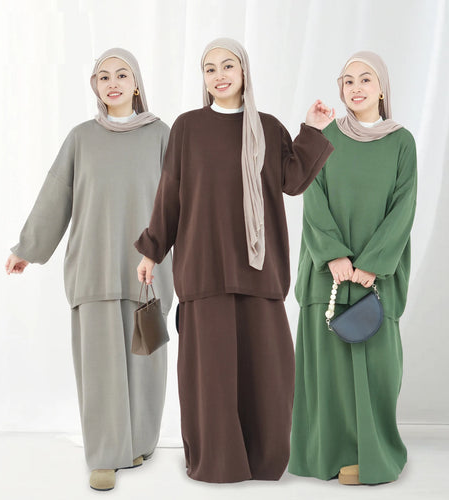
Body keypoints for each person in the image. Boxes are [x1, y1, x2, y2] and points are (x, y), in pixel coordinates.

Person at [134, 37, 334, 483]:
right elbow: (170, 195)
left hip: (259, 272)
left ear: (244, 71)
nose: (219, 75)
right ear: (203, 78)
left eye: (228, 65)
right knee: (211, 378)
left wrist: (312, 130)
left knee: (268, 373)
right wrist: (152, 249)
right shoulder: (187, 128)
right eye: (210, 68)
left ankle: (264, 461)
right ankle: (218, 461)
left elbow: (292, 180)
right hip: (204, 269)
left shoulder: (268, 127)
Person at [5, 48, 173, 491]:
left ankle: (138, 443)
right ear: (95, 86)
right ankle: (105, 455)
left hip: (147, 270)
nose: (112, 82)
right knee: (100, 369)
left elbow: (182, 201)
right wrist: (28, 248)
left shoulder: (161, 135)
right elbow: (56, 195)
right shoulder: (81, 137)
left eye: (122, 75)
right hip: (94, 267)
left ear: (136, 85)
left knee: (146, 364)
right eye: (103, 76)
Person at [289, 51, 417, 485]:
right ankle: (330, 454)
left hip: (376, 276)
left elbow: (403, 208)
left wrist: (373, 263)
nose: (356, 87)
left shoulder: (402, 142)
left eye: (365, 79)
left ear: (381, 89)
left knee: (377, 366)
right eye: (348, 80)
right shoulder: (326, 137)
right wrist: (334, 255)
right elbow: (312, 196)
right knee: (329, 367)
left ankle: (371, 453)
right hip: (328, 274)